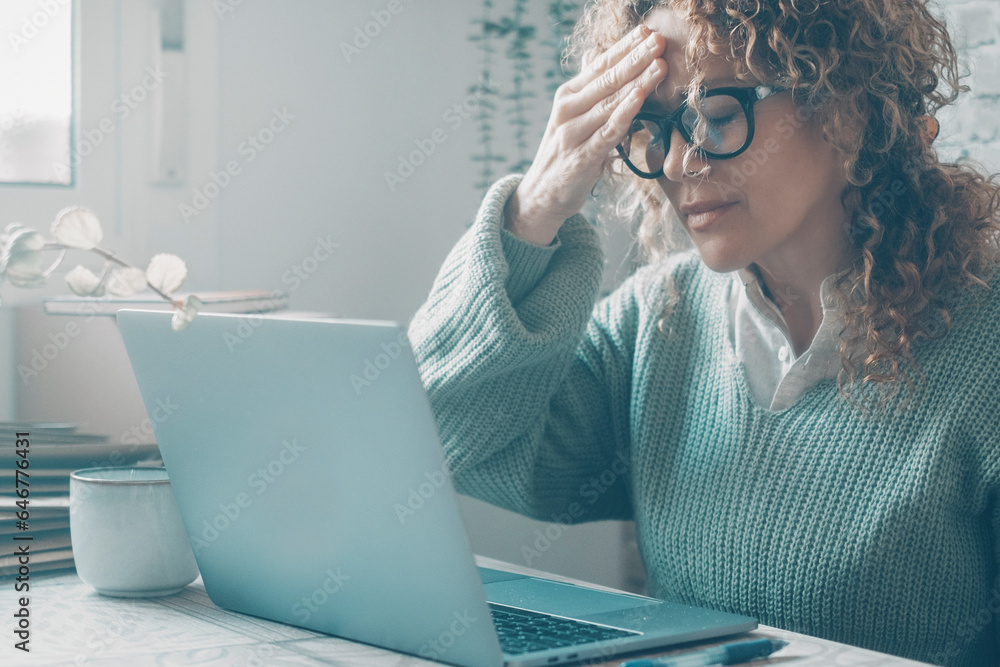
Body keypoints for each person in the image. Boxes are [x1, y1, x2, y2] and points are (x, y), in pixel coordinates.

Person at [407, 1, 1000, 665]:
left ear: (847, 106)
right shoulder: (657, 319)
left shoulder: (987, 338)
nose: (676, 163)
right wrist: (534, 209)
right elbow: (445, 428)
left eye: (717, 116)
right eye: (654, 129)